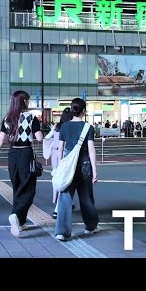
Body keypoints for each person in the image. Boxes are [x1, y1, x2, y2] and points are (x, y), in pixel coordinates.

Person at [0, 90, 43, 238]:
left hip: (12, 155)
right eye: (28, 100)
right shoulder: (31, 117)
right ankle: (16, 215)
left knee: (18, 188)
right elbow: (40, 137)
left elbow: (0, 141)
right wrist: (36, 129)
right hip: (26, 154)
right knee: (29, 189)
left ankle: (21, 222)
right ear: (24, 101)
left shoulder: (8, 118)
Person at [54, 98, 100, 241]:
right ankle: (90, 226)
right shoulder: (88, 127)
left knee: (65, 196)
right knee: (86, 196)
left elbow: (60, 149)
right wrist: (95, 170)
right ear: (84, 112)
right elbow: (91, 150)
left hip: (68, 164)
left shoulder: (64, 126)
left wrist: (59, 168)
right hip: (84, 164)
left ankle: (62, 231)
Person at [45, 107, 73, 219]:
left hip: (55, 154)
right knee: (66, 179)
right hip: (65, 154)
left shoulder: (56, 126)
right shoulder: (69, 127)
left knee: (56, 178)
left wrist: (52, 142)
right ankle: (61, 204)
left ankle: (57, 200)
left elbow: (47, 137)